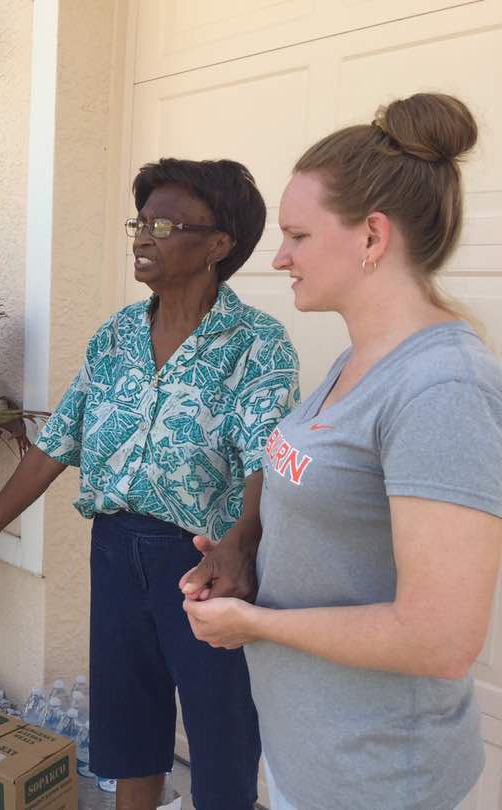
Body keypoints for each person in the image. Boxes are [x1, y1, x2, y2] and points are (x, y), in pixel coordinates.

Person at [0, 159, 300, 809]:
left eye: (164, 225)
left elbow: (265, 460)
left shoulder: (257, 345)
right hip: (115, 554)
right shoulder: (116, 338)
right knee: (130, 739)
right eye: (140, 222)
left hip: (203, 565)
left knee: (222, 744)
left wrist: (241, 543)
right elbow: (55, 444)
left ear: (219, 244)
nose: (142, 237)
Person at [183, 93, 502, 810]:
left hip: (380, 779)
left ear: (372, 237)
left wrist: (255, 626)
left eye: (298, 234)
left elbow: (441, 638)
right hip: (309, 756)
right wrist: (243, 556)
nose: (279, 256)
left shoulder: (442, 388)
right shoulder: (355, 361)